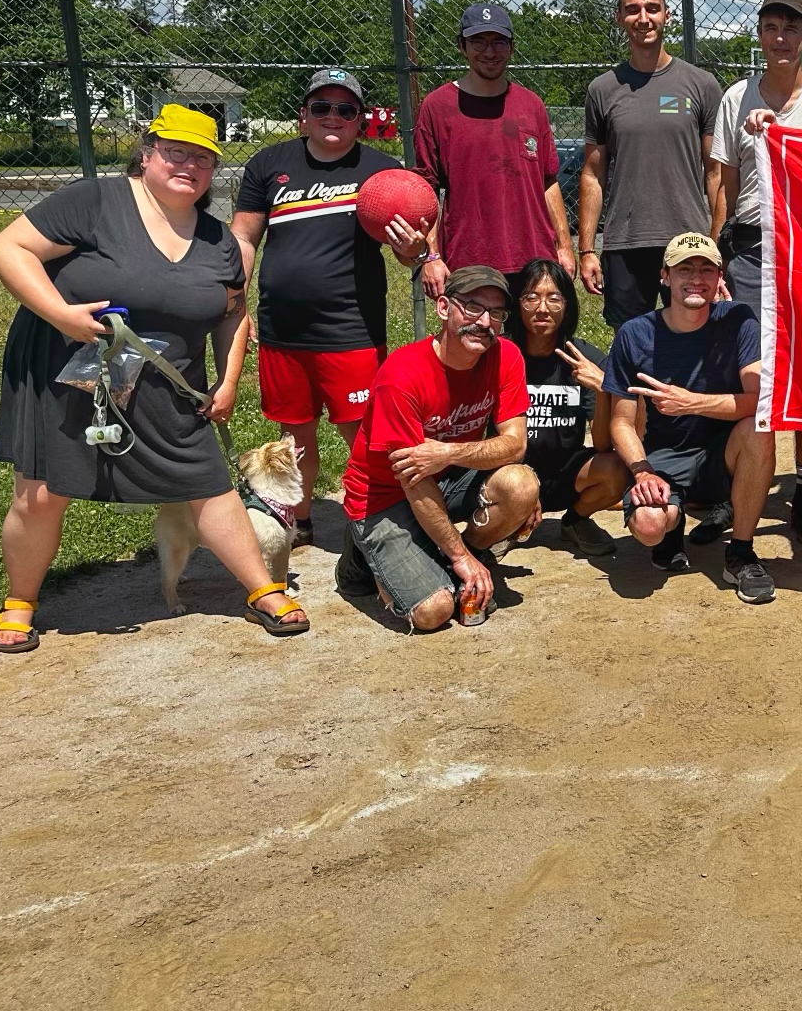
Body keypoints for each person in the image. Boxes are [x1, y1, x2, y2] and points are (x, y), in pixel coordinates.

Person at [0, 106, 307, 649]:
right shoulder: (95, 201)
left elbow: (233, 311)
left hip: (167, 376)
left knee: (206, 482)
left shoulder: (217, 239)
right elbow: (8, 248)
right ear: (148, 153)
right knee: (41, 493)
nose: (188, 165)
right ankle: (19, 602)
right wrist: (60, 314)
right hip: (67, 371)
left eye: (203, 158)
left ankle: (261, 589)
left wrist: (228, 382)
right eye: (176, 152)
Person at [232, 68, 427, 535]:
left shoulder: (383, 173)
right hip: (283, 328)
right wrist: (234, 297)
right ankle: (298, 521)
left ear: (361, 118)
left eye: (346, 109)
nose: (333, 117)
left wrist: (413, 250)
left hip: (350, 329)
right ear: (304, 116)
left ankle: (381, 520)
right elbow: (244, 236)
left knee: (365, 434)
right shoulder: (268, 164)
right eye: (322, 107)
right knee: (294, 434)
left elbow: (410, 254)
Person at [711, 0, 802, 549]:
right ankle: (742, 487)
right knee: (753, 370)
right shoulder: (735, 97)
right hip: (751, 245)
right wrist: (717, 249)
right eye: (770, 27)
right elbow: (722, 183)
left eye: (790, 28)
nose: (779, 38)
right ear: (760, 35)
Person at [337, 265, 542, 631]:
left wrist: (447, 454)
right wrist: (459, 557)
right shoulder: (401, 375)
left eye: (496, 313)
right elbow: (413, 480)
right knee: (434, 612)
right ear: (444, 307)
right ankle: (362, 556)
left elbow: (515, 445)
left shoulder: (506, 356)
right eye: (473, 308)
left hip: (445, 475)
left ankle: (458, 556)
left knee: (521, 485)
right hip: (384, 495)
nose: (484, 322)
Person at [604, 233, 777, 604]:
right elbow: (620, 421)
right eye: (685, 268)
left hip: (721, 455)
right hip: (664, 458)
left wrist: (692, 402)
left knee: (760, 429)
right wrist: (642, 472)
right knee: (649, 527)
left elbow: (760, 401)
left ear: (720, 279)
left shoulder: (738, 320)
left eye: (706, 269)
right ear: (665, 276)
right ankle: (672, 524)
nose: (696, 278)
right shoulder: (634, 334)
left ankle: (741, 552)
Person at [414, 2, 575, 324]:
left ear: (512, 47)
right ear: (462, 46)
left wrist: (565, 247)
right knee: (473, 351)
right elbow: (426, 190)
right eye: (479, 42)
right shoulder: (438, 106)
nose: (489, 52)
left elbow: (548, 181)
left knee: (533, 355)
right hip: (469, 258)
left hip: (533, 257)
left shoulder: (531, 105)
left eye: (498, 42)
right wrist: (431, 256)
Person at [580, 0, 724, 332]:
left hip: (688, 240)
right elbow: (592, 174)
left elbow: (716, 173)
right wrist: (586, 250)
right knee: (632, 349)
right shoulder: (602, 89)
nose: (643, 18)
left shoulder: (701, 85)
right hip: (626, 243)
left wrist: (717, 246)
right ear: (619, 18)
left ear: (667, 16)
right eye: (632, 10)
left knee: (693, 344)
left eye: (652, 9)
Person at [513, 258, 629, 557]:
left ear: (567, 306)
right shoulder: (502, 355)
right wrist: (519, 489)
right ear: (517, 303)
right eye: (531, 297)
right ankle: (507, 520)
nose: (542, 308)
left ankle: (575, 521)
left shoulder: (583, 356)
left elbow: (603, 444)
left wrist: (603, 388)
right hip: (511, 475)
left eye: (554, 298)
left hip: (567, 473)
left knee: (617, 469)